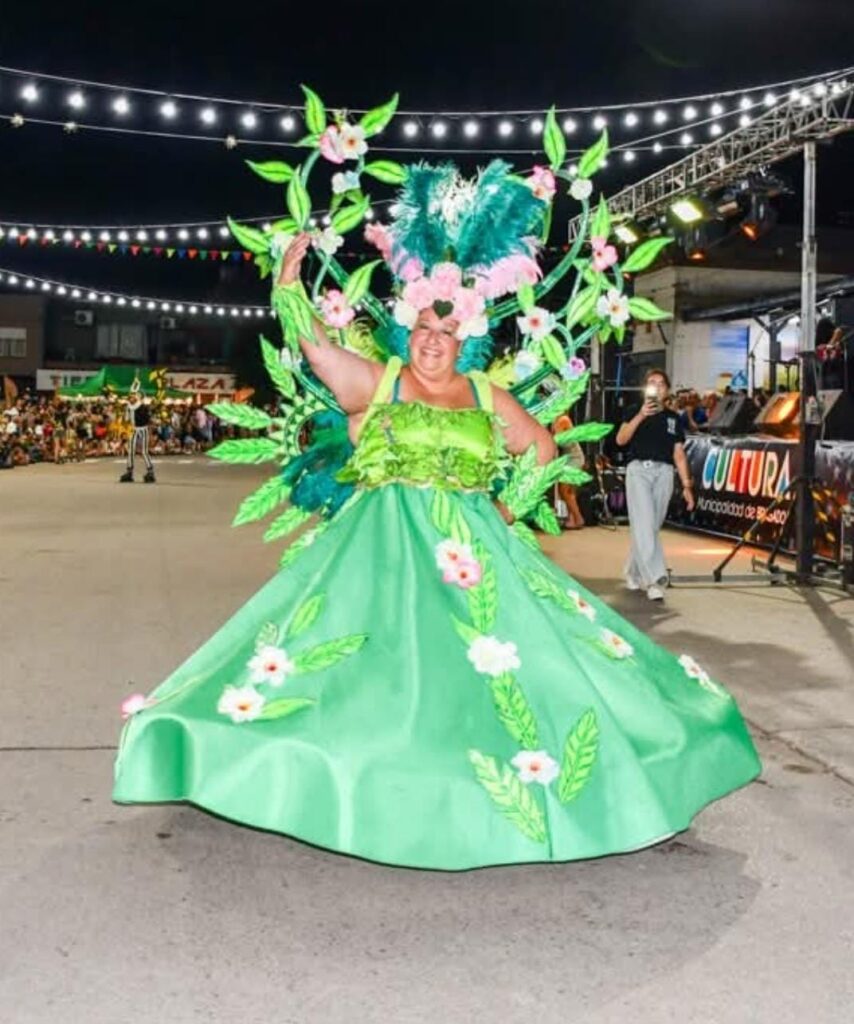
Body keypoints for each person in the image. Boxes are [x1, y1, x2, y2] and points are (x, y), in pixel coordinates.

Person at [113, 144, 758, 871]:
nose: (432, 342)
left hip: (473, 553)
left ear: (467, 338)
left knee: (507, 674)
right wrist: (290, 288)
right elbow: (318, 351)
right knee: (361, 669)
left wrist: (507, 510)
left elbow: (543, 452)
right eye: (423, 329)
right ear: (409, 330)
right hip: (380, 549)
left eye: (447, 334)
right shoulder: (381, 381)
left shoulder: (488, 395)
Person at [616, 369, 695, 601]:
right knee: (644, 524)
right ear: (645, 389)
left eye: (661, 384)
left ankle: (633, 570)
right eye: (652, 383)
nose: (656, 387)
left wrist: (687, 486)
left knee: (649, 527)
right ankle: (655, 579)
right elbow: (621, 439)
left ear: (667, 390)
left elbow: (679, 454)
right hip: (638, 471)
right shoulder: (632, 411)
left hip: (664, 473)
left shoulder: (673, 419)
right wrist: (640, 415)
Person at [552, 413, 585, 529]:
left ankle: (579, 518)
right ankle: (572, 518)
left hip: (574, 458)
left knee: (565, 490)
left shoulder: (563, 420)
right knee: (568, 492)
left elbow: (563, 442)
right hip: (569, 458)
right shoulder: (554, 420)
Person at [119, 388, 156, 484]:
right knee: (131, 450)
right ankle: (129, 471)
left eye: (132, 397)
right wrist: (125, 413)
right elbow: (127, 420)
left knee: (144, 451)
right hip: (134, 429)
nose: (130, 399)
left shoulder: (142, 407)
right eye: (130, 397)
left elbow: (148, 421)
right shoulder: (129, 407)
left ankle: (150, 471)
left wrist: (151, 434)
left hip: (143, 429)